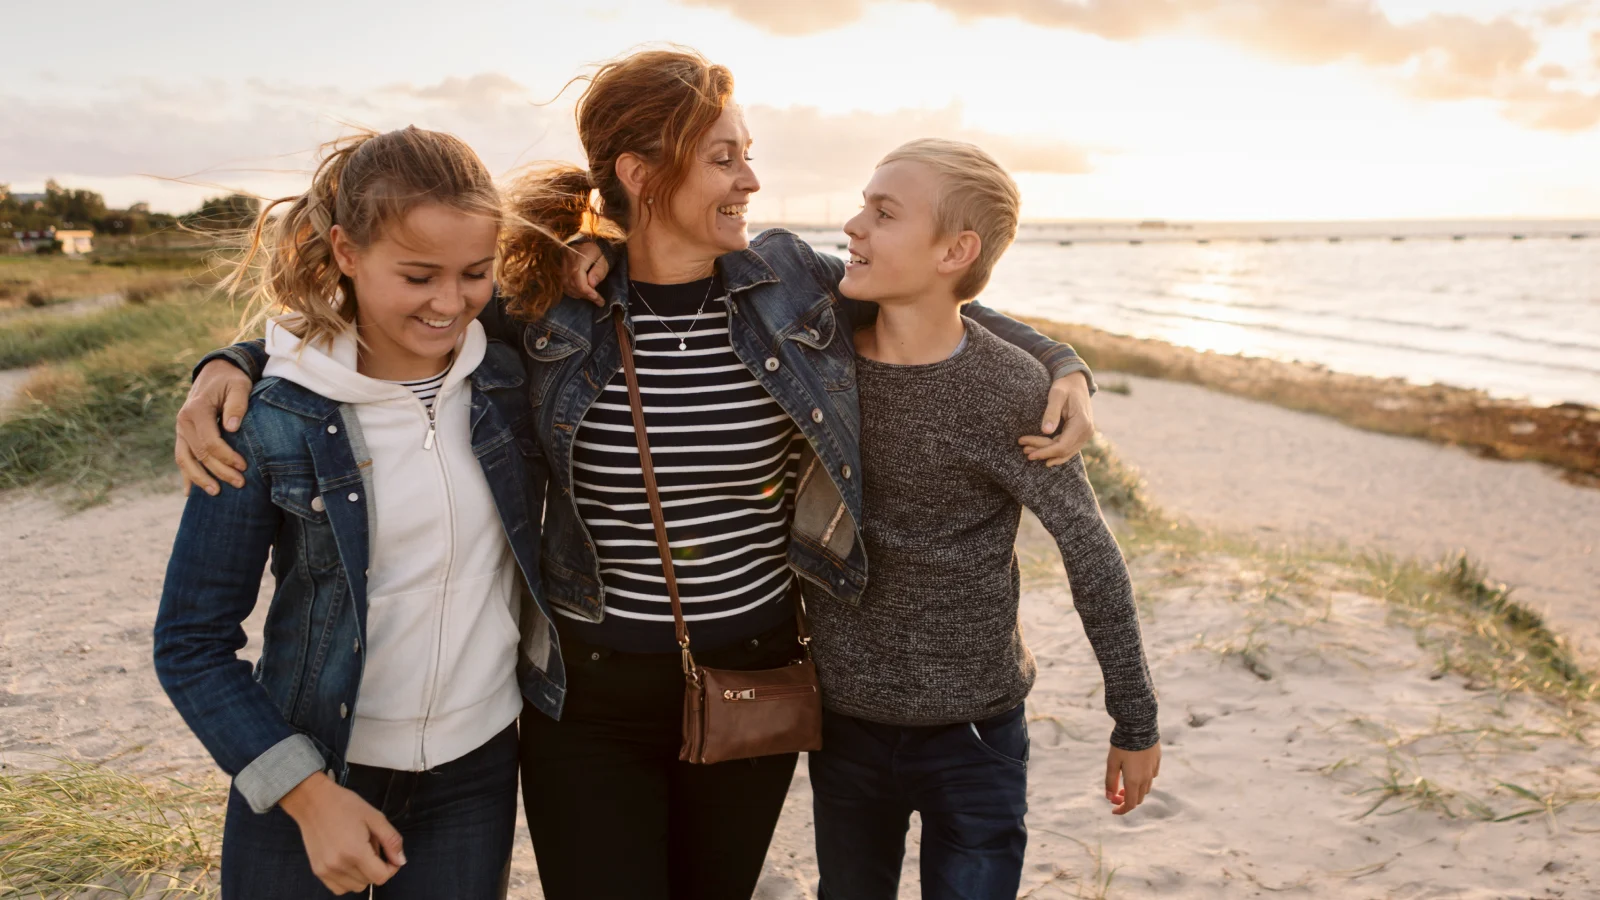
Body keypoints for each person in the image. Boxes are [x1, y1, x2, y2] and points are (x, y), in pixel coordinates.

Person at [174, 48, 1099, 900]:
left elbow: (930, 298)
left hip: (755, 680)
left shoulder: (786, 282)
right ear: (641, 174)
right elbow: (381, 318)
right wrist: (238, 361)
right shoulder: (547, 305)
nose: (752, 177)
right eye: (725, 157)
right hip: (589, 699)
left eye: (749, 153)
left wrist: (1063, 362)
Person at [152, 126, 566, 899]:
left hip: (474, 771)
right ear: (346, 251)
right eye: (417, 276)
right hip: (309, 766)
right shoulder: (273, 420)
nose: (451, 303)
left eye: (476, 273)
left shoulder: (509, 381)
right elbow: (190, 643)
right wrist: (308, 797)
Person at [799, 139, 1162, 899]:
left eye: (883, 212)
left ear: (955, 250)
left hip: (976, 735)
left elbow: (1090, 552)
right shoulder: (817, 353)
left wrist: (1135, 722)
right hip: (842, 726)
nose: (852, 224)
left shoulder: (1007, 389)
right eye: (864, 204)